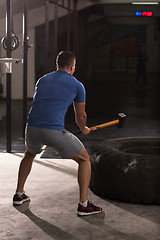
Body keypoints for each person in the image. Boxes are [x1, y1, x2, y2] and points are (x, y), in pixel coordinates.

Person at [13, 51, 102, 216]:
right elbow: (80, 117)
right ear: (72, 67)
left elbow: (44, 104)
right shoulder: (77, 85)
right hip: (52, 131)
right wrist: (84, 128)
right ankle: (84, 205)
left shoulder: (42, 80)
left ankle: (19, 194)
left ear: (57, 65)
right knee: (84, 159)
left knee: (29, 154)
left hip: (31, 128)